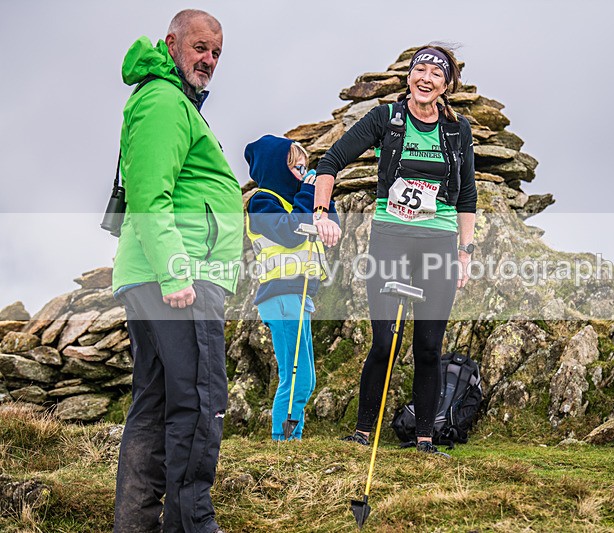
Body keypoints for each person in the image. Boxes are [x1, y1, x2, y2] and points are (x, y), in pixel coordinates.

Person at [110, 10, 242, 533]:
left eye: (216, 53)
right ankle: (192, 525)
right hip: (179, 279)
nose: (208, 60)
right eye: (200, 48)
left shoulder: (172, 101)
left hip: (167, 275)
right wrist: (175, 272)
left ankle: (136, 526)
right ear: (173, 43)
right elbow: (148, 196)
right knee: (199, 402)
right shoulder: (164, 101)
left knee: (157, 402)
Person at [313, 44, 477, 457]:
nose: (426, 78)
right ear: (409, 77)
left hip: (439, 243)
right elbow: (331, 161)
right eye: (420, 69)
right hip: (390, 239)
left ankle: (425, 440)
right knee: (384, 341)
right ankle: (362, 434)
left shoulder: (458, 131)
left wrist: (465, 253)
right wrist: (321, 212)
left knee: (428, 346)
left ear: (446, 85)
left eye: (436, 74)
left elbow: (468, 197)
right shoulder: (386, 118)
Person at [243, 135, 338, 441]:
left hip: (300, 296)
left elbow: (329, 228)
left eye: (304, 167)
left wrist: (321, 199)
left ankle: (290, 438)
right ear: (276, 169)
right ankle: (282, 441)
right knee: (294, 376)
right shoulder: (262, 203)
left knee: (306, 379)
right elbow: (291, 233)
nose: (302, 173)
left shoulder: (297, 200)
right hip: (280, 295)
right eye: (296, 167)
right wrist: (306, 193)